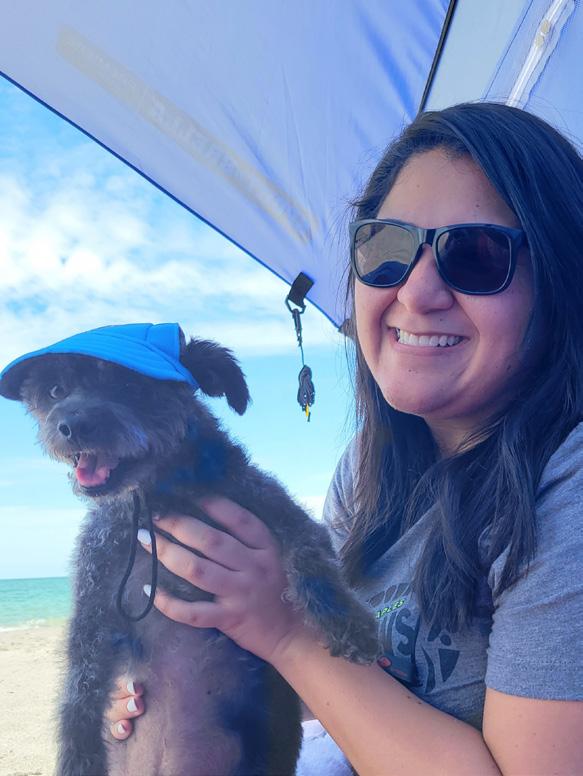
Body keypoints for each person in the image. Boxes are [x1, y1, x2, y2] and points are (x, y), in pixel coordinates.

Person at [105, 102, 583, 774]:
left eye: (475, 256)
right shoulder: (368, 470)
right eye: (386, 249)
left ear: (560, 282)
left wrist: (289, 631)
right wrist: (181, 690)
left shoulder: (566, 481)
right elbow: (353, 689)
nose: (416, 293)